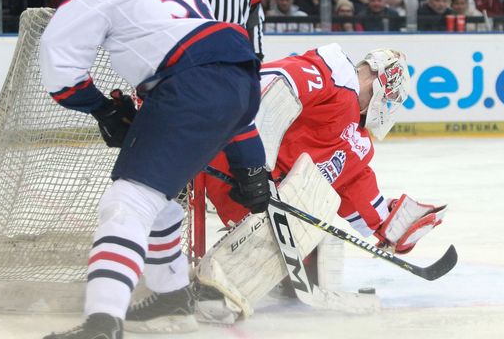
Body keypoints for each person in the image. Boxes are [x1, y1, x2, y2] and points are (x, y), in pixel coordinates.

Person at [37, 0, 269, 339]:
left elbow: (59, 62)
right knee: (158, 201)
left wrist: (102, 108)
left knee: (125, 205)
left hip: (186, 87)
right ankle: (171, 297)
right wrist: (251, 167)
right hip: (240, 78)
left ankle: (100, 328)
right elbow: (221, 77)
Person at [186, 44, 445, 323]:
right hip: (229, 153)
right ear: (377, 79)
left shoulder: (355, 142)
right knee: (300, 214)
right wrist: (252, 163)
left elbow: (354, 187)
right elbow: (271, 84)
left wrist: (396, 227)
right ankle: (212, 285)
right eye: (390, 99)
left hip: (255, 193)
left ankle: (253, 283)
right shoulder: (333, 72)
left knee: (318, 221)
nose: (385, 107)